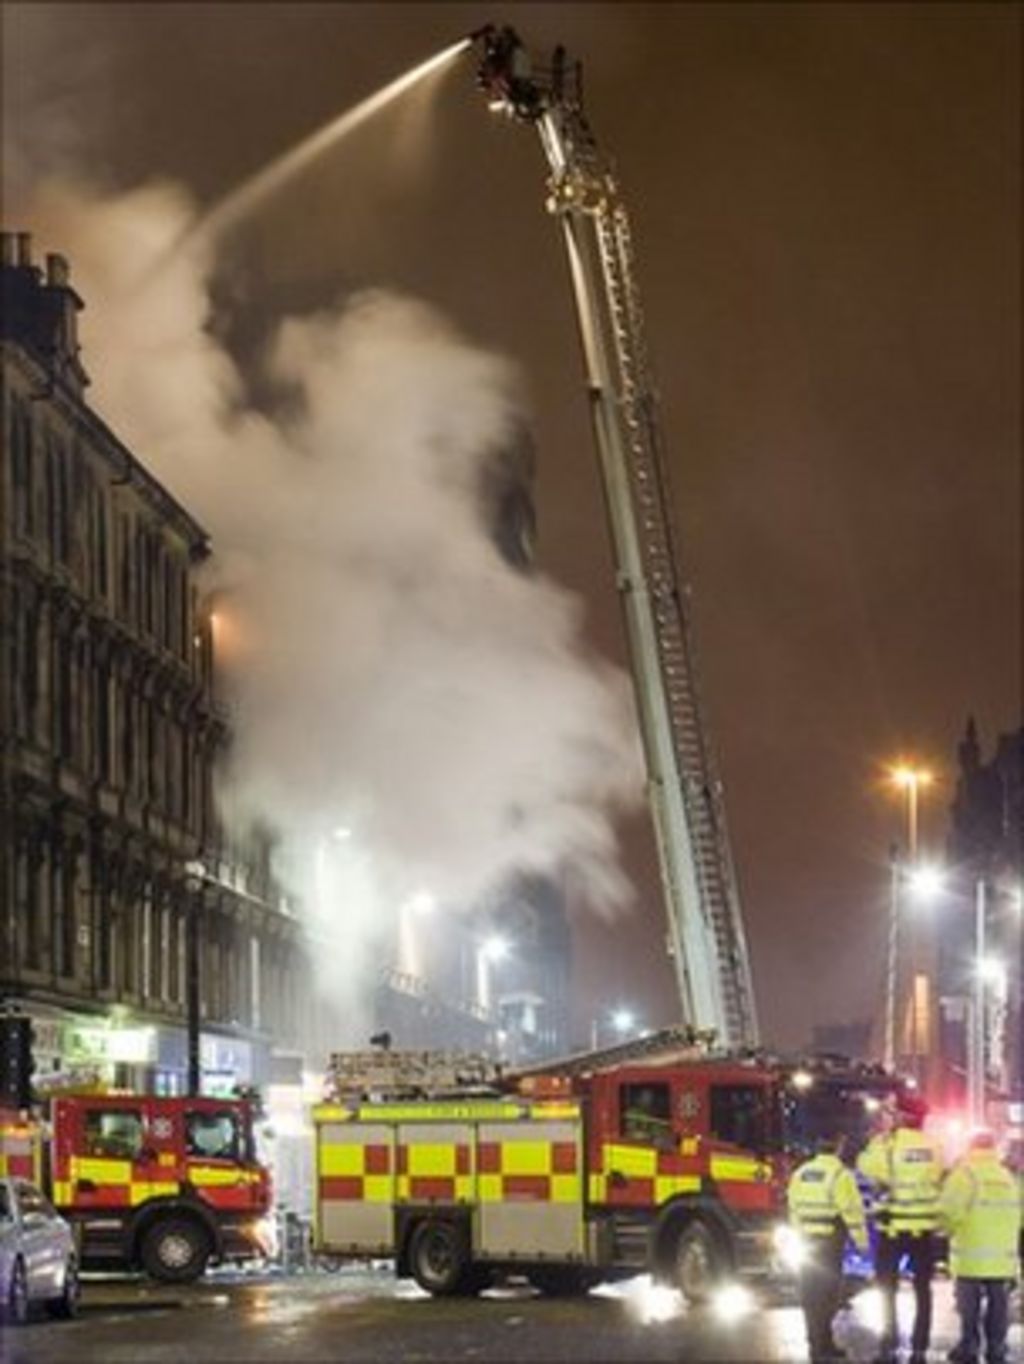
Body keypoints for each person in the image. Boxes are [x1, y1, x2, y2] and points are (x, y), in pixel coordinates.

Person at [857, 1096, 944, 1364]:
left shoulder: (886, 1144)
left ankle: (889, 1341)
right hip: (923, 1228)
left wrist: (875, 1141)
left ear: (902, 1117)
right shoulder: (933, 1146)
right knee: (922, 1289)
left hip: (892, 1227)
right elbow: (936, 1176)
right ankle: (920, 1346)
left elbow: (866, 1167)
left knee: (887, 1287)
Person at [940, 1129, 1022, 1364]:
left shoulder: (964, 1175)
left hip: (970, 1256)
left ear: (970, 1147)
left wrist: (945, 1230)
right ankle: (996, 1349)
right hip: (1002, 1258)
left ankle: (969, 1347)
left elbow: (949, 1211)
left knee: (969, 1308)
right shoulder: (1007, 1177)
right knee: (999, 1307)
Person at [788, 1131, 869, 1364]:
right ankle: (823, 1344)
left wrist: (798, 1232)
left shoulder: (801, 1174)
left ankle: (817, 1343)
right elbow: (851, 1211)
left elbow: (792, 1207)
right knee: (828, 1295)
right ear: (838, 1147)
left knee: (809, 1295)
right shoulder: (840, 1175)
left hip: (805, 1241)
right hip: (829, 1243)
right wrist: (861, 1241)